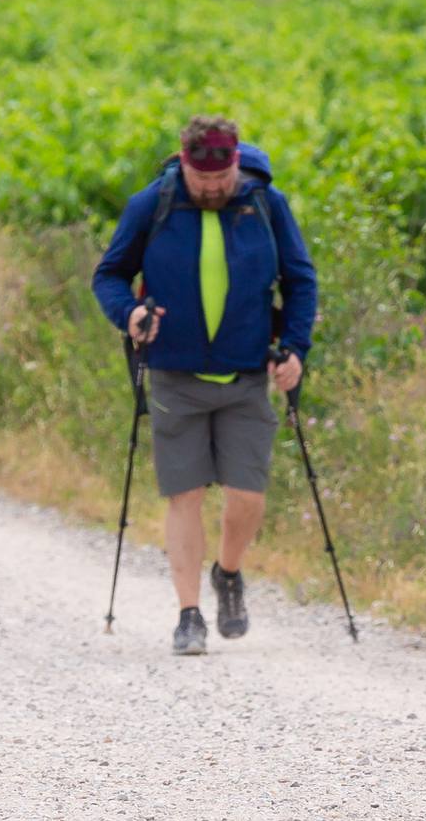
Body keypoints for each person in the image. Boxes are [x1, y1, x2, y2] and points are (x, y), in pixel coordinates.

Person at [92, 115, 319, 656]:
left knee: (248, 494)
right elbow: (110, 274)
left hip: (245, 373)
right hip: (175, 372)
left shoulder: (266, 204)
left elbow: (301, 280)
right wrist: (129, 315)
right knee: (184, 494)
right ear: (185, 164)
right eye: (203, 181)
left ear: (236, 161)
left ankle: (229, 573)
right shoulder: (154, 205)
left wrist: (295, 350)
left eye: (223, 179)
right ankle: (188, 614)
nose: (215, 189)